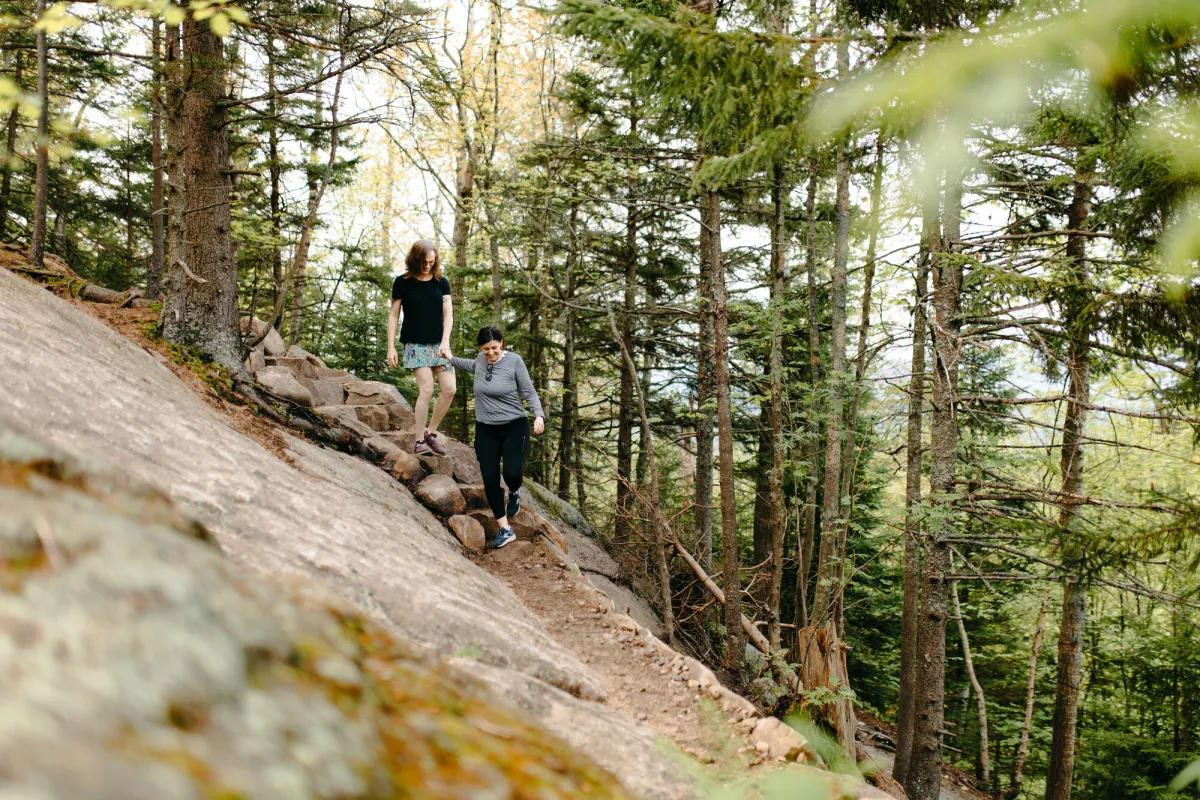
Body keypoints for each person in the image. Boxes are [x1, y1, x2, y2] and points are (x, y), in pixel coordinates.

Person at [451, 326, 545, 549]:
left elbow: (529, 391)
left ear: (502, 343)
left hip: (515, 427)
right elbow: (472, 366)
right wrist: (450, 358)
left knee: (513, 473)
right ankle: (505, 529)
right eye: (486, 349)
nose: (490, 353)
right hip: (486, 430)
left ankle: (514, 492)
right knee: (490, 479)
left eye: (494, 348)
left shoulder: (515, 362)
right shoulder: (481, 359)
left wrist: (538, 414)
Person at [386, 239, 455, 456]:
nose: (428, 266)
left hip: (438, 345)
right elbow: (394, 315)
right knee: (426, 389)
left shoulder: (441, 282)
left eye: (432, 262)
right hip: (415, 344)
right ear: (416, 260)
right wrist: (391, 347)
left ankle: (430, 434)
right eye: (424, 262)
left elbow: (448, 315)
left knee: (450, 389)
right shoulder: (402, 282)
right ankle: (418, 442)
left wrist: (445, 342)